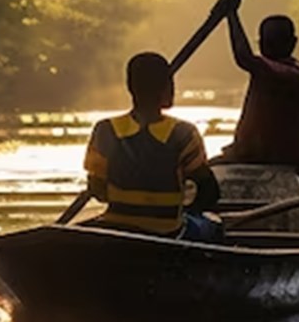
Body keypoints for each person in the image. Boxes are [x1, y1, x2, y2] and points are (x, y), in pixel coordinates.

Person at [83, 51, 222, 242]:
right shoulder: (184, 133)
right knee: (213, 225)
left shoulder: (104, 130)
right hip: (168, 232)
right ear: (167, 88)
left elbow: (98, 191)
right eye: (171, 84)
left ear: (130, 87)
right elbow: (209, 194)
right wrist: (183, 208)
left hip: (115, 227)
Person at [216, 0, 299, 175]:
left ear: (292, 43)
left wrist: (231, 15)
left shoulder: (293, 75)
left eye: (273, 42)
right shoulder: (264, 70)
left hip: (284, 162)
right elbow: (250, 61)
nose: (267, 47)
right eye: (265, 42)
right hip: (250, 157)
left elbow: (244, 58)